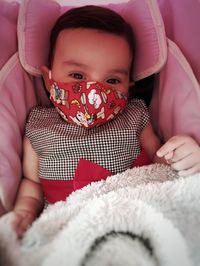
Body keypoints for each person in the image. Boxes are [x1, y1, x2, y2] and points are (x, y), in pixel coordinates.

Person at [1, 5, 200, 238]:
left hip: (131, 212)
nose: (95, 91)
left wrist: (182, 153)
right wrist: (24, 211)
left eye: (113, 80)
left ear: (128, 87)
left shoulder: (134, 116)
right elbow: (32, 183)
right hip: (66, 223)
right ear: (48, 78)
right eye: (77, 76)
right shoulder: (38, 125)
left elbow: (160, 164)